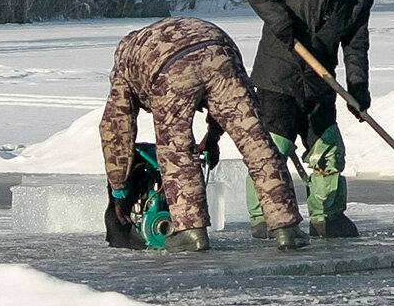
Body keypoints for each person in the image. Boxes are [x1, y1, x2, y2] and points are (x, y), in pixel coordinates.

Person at [99, 17, 309, 253]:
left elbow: (116, 131)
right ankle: (287, 228)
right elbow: (227, 105)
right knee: (257, 143)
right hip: (220, 53)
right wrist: (213, 136)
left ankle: (191, 233)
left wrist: (120, 190)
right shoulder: (162, 33)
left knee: (177, 153)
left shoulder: (125, 62)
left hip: (171, 68)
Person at [242, 0, 376, 239]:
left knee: (328, 149)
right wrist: (278, 19)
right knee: (273, 149)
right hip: (279, 75)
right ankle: (266, 217)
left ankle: (327, 216)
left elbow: (356, 46)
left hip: (320, 82)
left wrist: (358, 89)